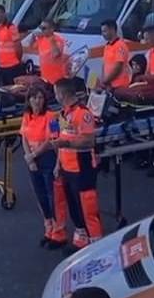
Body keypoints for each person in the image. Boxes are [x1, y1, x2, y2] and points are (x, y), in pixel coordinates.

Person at [52, 78, 103, 251]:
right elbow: (62, 139)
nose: (55, 96)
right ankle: (81, 239)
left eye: (56, 93)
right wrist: (58, 165)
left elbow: (89, 141)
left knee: (88, 207)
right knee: (73, 205)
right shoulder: (63, 113)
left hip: (83, 167)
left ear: (62, 94)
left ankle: (97, 244)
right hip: (67, 167)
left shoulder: (83, 113)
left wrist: (66, 144)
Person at [21, 85, 67, 248]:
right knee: (40, 195)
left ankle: (59, 233)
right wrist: (30, 158)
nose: (37, 101)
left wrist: (33, 155)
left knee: (53, 197)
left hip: (47, 158)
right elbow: (24, 137)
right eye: (34, 97)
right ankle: (49, 229)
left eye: (40, 98)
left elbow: (51, 140)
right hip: (34, 160)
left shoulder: (51, 116)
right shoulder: (27, 116)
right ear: (29, 100)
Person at [29, 19, 69, 85]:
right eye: (40, 28)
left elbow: (56, 54)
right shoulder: (41, 38)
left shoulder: (57, 39)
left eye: (44, 28)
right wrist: (33, 35)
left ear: (51, 29)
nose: (41, 30)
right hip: (45, 76)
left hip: (56, 77)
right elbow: (31, 46)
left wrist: (52, 41)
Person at [0, 5, 23, 85]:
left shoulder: (10, 27)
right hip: (2, 65)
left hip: (12, 65)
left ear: (4, 14)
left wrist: (18, 60)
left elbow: (18, 46)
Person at [97, 19, 131, 90]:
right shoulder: (107, 46)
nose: (103, 34)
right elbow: (105, 65)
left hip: (119, 86)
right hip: (110, 85)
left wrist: (105, 81)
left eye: (105, 31)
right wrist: (104, 80)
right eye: (102, 31)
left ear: (112, 30)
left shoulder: (120, 45)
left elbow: (118, 67)